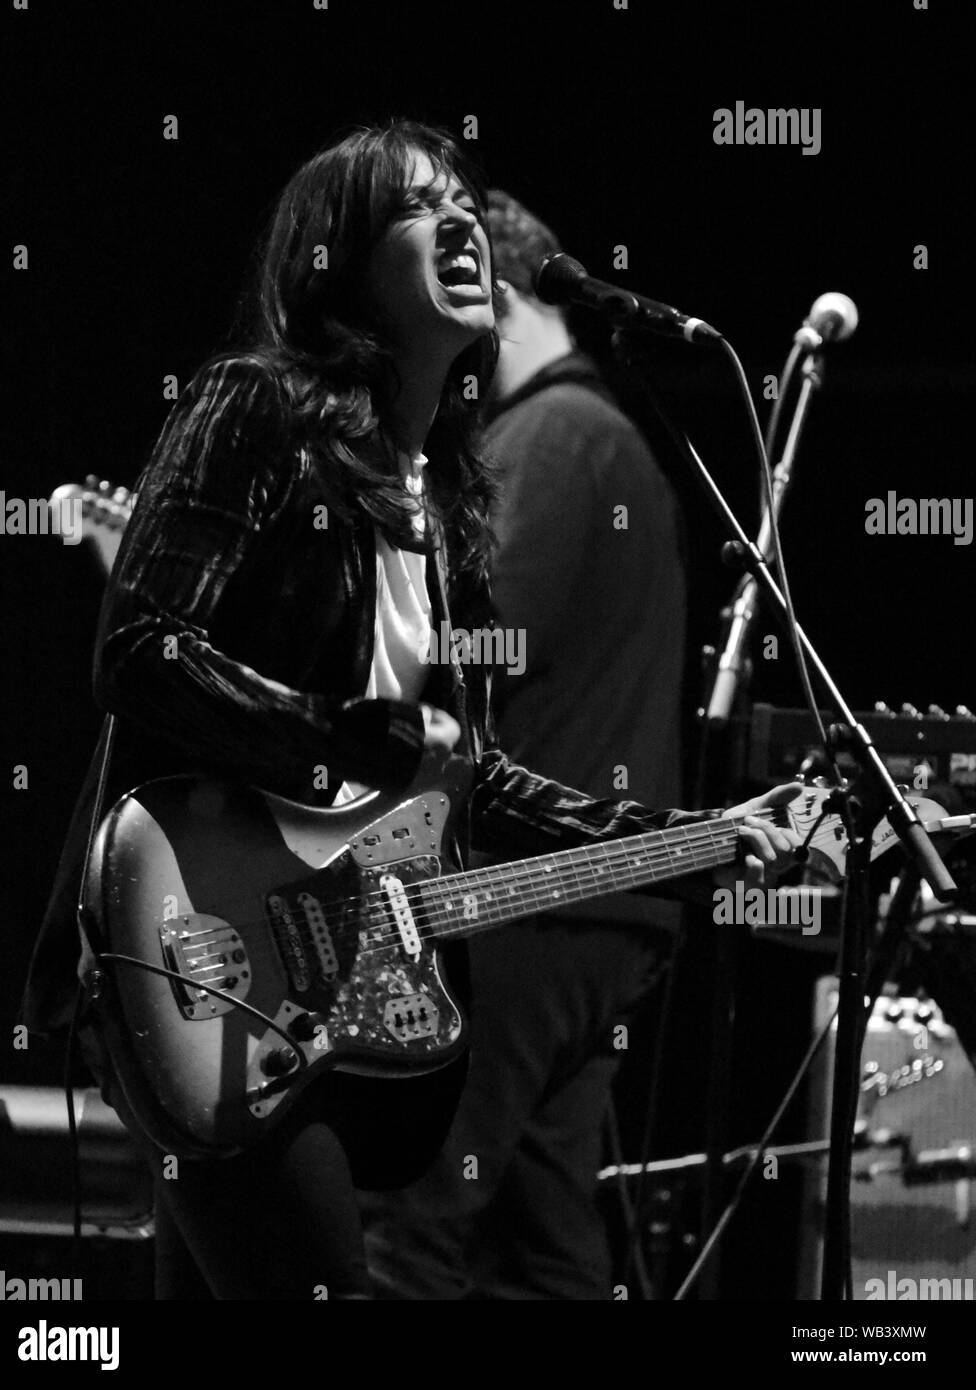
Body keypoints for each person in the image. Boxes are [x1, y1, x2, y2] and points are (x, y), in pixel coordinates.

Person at [22, 120, 799, 1300]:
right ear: (335, 261)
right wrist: (338, 736)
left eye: (467, 202)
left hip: (318, 987)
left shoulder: (445, 505)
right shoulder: (257, 407)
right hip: (190, 943)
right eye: (415, 208)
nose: (461, 223)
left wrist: (701, 842)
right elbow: (138, 652)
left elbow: (466, 779)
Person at [361, 191, 690, 1299]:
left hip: (527, 900)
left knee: (415, 1219)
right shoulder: (614, 439)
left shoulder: (547, 437)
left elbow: (470, 647)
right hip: (603, 910)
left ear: (493, 298)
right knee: (544, 1237)